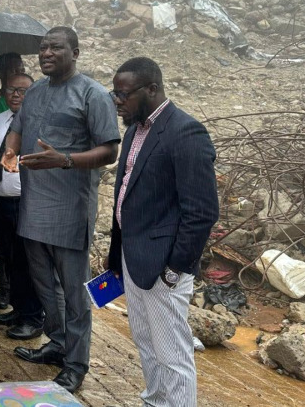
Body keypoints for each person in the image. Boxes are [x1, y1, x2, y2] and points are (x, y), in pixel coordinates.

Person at [1, 27, 119, 393]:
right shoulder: (34, 91)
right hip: (33, 204)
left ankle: (76, 362)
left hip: (70, 206)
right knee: (44, 283)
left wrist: (64, 160)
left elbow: (110, 151)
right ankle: (57, 341)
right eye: (42, 48)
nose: (46, 53)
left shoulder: (93, 95)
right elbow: (17, 129)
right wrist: (10, 150)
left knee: (74, 290)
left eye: (56, 47)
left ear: (76, 52)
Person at [107, 57, 218, 407]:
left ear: (151, 89)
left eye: (124, 94)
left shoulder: (185, 131)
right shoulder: (135, 130)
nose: (118, 101)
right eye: (115, 94)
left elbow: (201, 212)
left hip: (163, 265)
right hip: (133, 257)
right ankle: (155, 401)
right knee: (145, 340)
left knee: (172, 352)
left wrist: (176, 268)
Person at [0, 73, 45, 341]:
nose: (15, 95)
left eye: (22, 90)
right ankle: (17, 308)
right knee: (6, 257)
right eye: (10, 89)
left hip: (25, 203)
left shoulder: (38, 127)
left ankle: (32, 317)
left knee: (27, 260)